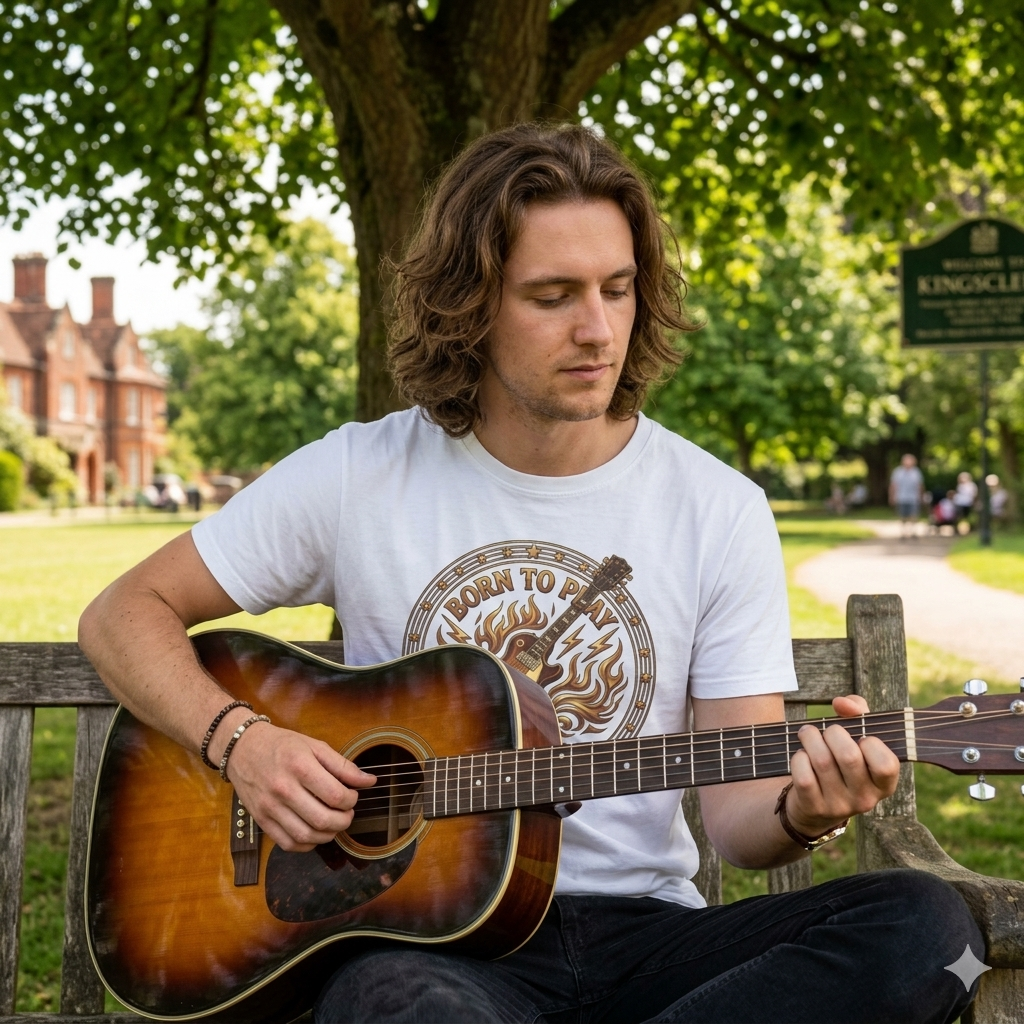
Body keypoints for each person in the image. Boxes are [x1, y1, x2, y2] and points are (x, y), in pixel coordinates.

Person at [78, 123, 980, 1024]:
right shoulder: (359, 476)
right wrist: (245, 743)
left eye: (618, 290)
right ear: (470, 304)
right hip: (436, 953)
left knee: (924, 931)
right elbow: (124, 612)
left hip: (649, 941)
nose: (598, 330)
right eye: (553, 295)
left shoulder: (718, 507)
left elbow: (745, 822)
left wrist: (809, 808)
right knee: (395, 1005)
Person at [889, 453, 925, 535]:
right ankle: (903, 532)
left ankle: (913, 531)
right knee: (902, 516)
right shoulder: (898, 472)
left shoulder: (916, 472)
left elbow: (920, 485)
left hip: (913, 498)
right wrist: (891, 496)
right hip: (901, 497)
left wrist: (921, 496)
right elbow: (893, 485)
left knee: (914, 515)